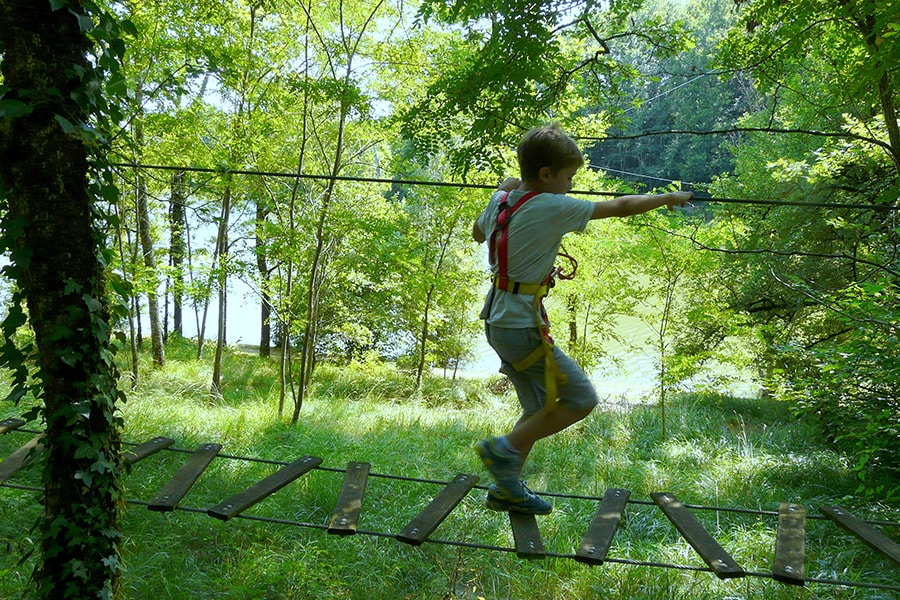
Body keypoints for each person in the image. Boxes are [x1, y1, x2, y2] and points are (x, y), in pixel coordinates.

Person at [472, 123, 693, 514]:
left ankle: (507, 489)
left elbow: (478, 233)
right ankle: (502, 450)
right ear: (546, 174)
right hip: (521, 325)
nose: (572, 185)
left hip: (498, 319)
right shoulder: (553, 205)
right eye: (569, 177)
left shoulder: (502, 201)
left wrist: (504, 191)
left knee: (540, 408)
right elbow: (621, 206)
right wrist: (668, 197)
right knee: (580, 399)